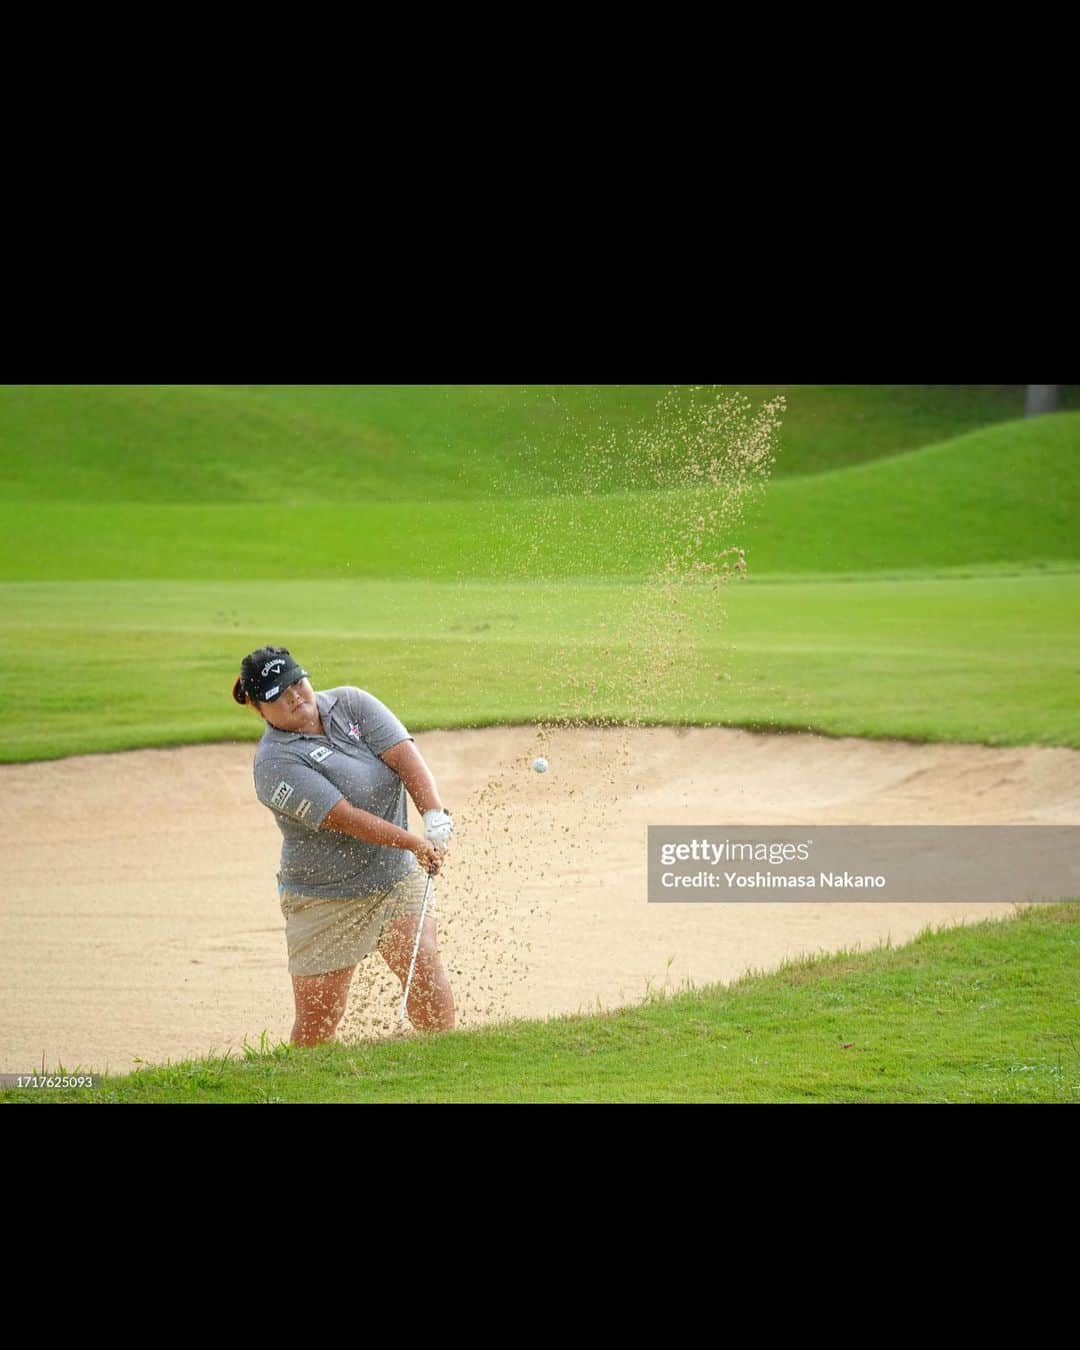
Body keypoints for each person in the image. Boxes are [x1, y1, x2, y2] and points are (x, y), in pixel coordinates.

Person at [232, 644, 456, 1046]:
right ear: (259, 709)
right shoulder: (273, 764)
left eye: (297, 682)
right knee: (318, 1024)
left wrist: (434, 814)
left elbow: (405, 757)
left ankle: (449, 1066)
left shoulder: (351, 703)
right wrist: (414, 844)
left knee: (423, 968)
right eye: (277, 696)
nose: (295, 696)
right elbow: (345, 818)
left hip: (393, 877)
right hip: (325, 899)